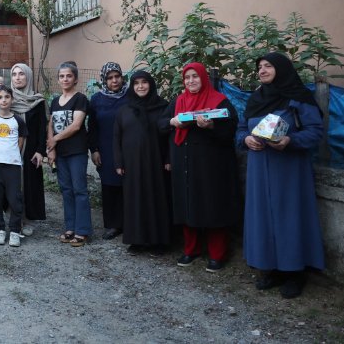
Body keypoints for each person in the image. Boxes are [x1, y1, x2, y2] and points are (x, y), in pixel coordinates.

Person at [237, 53, 325, 298]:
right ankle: (271, 268)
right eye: (260, 67)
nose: (262, 70)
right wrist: (245, 138)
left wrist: (290, 140)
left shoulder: (298, 98)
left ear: (282, 68)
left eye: (268, 66)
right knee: (263, 217)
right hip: (259, 170)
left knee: (290, 219)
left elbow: (316, 131)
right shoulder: (256, 98)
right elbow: (242, 127)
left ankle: (295, 273)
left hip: (289, 171)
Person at [160, 62, 239, 273]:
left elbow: (230, 130)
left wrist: (212, 125)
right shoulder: (178, 101)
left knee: (212, 205)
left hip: (211, 166)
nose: (191, 81)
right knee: (188, 205)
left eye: (195, 76)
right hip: (184, 164)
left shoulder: (219, 101)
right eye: (187, 78)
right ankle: (191, 249)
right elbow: (159, 124)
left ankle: (217, 254)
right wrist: (173, 121)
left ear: (203, 78)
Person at [113, 70, 171, 256]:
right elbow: (117, 138)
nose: (140, 86)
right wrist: (119, 162)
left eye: (144, 82)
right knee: (134, 200)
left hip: (157, 163)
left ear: (151, 84)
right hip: (132, 164)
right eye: (136, 83)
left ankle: (159, 242)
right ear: (131, 86)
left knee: (157, 200)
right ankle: (136, 241)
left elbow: (171, 136)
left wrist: (169, 159)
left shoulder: (163, 107)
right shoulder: (124, 110)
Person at [47, 61, 91, 247]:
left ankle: (82, 230)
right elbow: (49, 125)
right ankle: (70, 227)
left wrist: (55, 140)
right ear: (58, 79)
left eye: (69, 76)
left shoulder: (80, 98)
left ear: (75, 79)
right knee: (66, 190)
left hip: (76, 151)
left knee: (79, 190)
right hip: (61, 153)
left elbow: (76, 125)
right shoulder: (55, 101)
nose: (65, 79)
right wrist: (51, 148)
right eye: (62, 76)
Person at [87, 62, 130, 240]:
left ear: (122, 77)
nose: (114, 80)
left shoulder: (131, 96)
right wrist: (94, 149)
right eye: (110, 78)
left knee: (128, 185)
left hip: (128, 147)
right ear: (104, 80)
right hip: (105, 147)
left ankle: (130, 223)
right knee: (110, 186)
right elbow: (93, 126)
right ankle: (113, 225)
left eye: (117, 76)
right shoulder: (97, 99)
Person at [0, 85, 27, 247]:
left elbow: (20, 142)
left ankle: (15, 231)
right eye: (0, 97)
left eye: (7, 97)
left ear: (12, 99)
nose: (3, 100)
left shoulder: (18, 121)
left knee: (15, 198)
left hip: (13, 165)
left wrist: (11, 156)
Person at [9, 63, 47, 237]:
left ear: (28, 76)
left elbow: (41, 129)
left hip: (30, 149)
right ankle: (13, 218)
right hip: (10, 149)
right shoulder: (7, 99)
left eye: (21, 74)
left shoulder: (37, 102)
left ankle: (27, 219)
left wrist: (41, 151)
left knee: (29, 184)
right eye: (14, 74)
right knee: (11, 183)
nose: (17, 77)